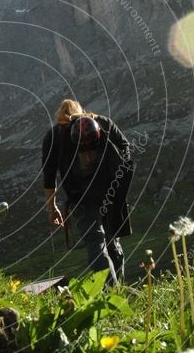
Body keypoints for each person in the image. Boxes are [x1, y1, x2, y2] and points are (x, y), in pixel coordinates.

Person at [42, 99, 133, 286]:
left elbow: (49, 175)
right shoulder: (103, 123)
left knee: (95, 243)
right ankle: (118, 291)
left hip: (80, 197)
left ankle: (110, 293)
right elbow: (126, 149)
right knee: (112, 242)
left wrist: (52, 208)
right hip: (110, 192)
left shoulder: (54, 136)